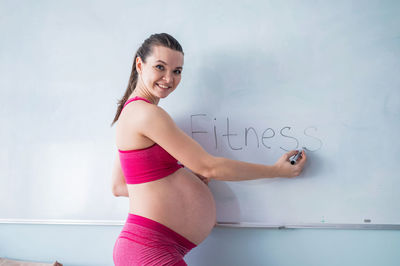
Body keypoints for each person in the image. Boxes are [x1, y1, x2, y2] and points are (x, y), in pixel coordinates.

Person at [110, 33, 307, 266]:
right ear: (140, 65)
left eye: (177, 71)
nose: (169, 78)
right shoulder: (146, 113)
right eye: (160, 67)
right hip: (150, 249)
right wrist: (277, 171)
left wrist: (177, 181)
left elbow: (120, 186)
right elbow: (209, 167)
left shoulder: (132, 112)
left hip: (150, 248)